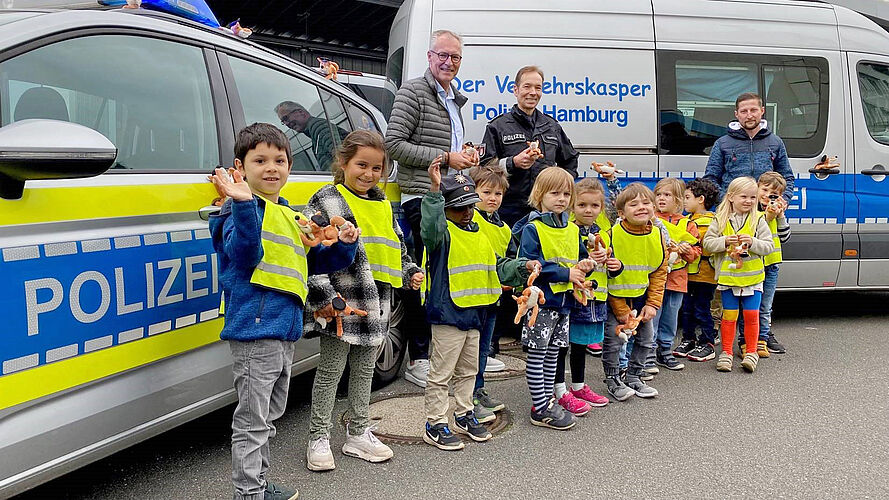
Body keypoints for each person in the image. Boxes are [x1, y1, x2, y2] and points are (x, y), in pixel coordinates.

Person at [208, 123, 359, 500]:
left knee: (269, 416)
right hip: (255, 332)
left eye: (280, 160)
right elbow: (244, 256)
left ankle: (258, 481)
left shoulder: (289, 215)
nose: (271, 167)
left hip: (283, 330)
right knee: (252, 421)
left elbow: (316, 260)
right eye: (260, 160)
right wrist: (242, 203)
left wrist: (344, 245)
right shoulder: (235, 212)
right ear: (240, 168)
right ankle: (249, 492)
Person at [302, 130, 424, 471]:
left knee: (365, 370)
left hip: (378, 303)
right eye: (361, 165)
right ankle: (318, 437)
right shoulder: (326, 200)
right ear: (343, 163)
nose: (368, 174)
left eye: (376, 167)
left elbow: (396, 248)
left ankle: (358, 433)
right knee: (330, 371)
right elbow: (310, 254)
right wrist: (327, 298)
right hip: (341, 304)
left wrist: (410, 270)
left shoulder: (383, 202)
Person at [421, 157, 536, 450]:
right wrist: (434, 193)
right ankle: (434, 423)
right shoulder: (441, 234)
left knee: (469, 371)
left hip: (476, 313)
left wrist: (522, 267)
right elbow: (430, 228)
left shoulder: (479, 232)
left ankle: (463, 414)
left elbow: (497, 266)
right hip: (448, 313)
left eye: (470, 205)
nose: (467, 212)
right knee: (441, 373)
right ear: (445, 209)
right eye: (458, 207)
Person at [385, 29, 477, 388]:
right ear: (429, 56)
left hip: (448, 197)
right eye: (443, 55)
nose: (448, 62)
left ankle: (438, 357)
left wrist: (464, 154)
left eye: (455, 57)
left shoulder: (454, 99)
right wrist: (445, 157)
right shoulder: (413, 91)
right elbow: (393, 143)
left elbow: (446, 148)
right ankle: (418, 359)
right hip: (421, 198)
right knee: (419, 281)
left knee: (441, 279)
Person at [513, 167, 593, 428]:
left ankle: (549, 400)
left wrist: (586, 265)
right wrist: (565, 272)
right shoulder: (532, 228)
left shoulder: (571, 228)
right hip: (542, 303)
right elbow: (530, 264)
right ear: (540, 195)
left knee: (554, 353)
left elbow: (579, 257)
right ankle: (540, 406)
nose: (561, 198)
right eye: (554, 193)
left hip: (564, 303)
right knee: (537, 354)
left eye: (566, 193)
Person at [480, 65, 579, 226]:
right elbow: (483, 168)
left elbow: (570, 160)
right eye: (527, 86)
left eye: (538, 88)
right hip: (508, 210)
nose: (533, 92)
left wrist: (561, 186)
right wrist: (513, 163)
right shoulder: (498, 127)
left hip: (545, 211)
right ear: (516, 90)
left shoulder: (551, 126)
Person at [557, 178, 620, 412]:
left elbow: (611, 269)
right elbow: (568, 263)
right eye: (582, 205)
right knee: (563, 345)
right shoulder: (568, 231)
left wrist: (616, 265)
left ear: (601, 208)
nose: (588, 210)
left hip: (597, 298)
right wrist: (590, 261)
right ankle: (559, 389)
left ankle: (578, 385)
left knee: (581, 344)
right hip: (574, 298)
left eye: (594, 206)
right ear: (573, 206)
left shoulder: (604, 233)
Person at [601, 183, 667, 402]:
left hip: (642, 299)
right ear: (621, 213)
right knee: (614, 341)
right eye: (634, 204)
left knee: (647, 339)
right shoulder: (610, 235)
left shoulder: (657, 235)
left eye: (646, 202)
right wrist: (620, 310)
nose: (641, 207)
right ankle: (612, 380)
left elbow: (659, 272)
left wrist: (653, 304)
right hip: (615, 302)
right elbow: (604, 277)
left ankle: (634, 376)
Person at [702, 176, 774, 373]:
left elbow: (768, 247)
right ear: (731, 197)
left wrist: (752, 242)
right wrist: (724, 241)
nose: (749, 201)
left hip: (753, 277)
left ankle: (751, 352)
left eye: (752, 197)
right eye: (744, 196)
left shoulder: (759, 219)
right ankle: (726, 353)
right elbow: (707, 244)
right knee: (729, 316)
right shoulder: (720, 218)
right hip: (728, 277)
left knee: (751, 316)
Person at [467, 162, 511, 423]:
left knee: (484, 349)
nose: (492, 198)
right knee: (470, 352)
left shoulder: (504, 228)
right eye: (486, 192)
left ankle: (478, 389)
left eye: (498, 194)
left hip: (493, 297)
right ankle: (468, 396)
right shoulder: (469, 221)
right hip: (470, 297)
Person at [646, 178, 700, 372]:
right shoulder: (650, 220)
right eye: (658, 194)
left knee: (670, 316)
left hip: (677, 279)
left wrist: (687, 250)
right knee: (653, 315)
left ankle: (665, 350)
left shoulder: (687, 224)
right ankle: (649, 352)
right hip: (654, 279)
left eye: (667, 195)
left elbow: (696, 253)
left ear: (678, 200)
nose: (661, 198)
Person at [703, 92, 795, 202]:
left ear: (762, 111)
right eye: (744, 111)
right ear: (736, 114)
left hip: (764, 209)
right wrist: (726, 201)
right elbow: (710, 179)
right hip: (731, 212)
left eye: (753, 110)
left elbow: (787, 177)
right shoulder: (722, 143)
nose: (749, 115)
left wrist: (782, 200)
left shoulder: (775, 142)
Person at [678, 178, 721, 362]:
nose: (684, 201)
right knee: (687, 309)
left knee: (702, 309)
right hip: (688, 275)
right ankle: (688, 339)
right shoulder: (686, 220)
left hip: (706, 276)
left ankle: (707, 342)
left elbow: (709, 246)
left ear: (701, 199)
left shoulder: (712, 221)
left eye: (687, 197)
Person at [748, 171, 791, 355]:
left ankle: (764, 337)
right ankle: (750, 338)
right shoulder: (752, 211)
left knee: (766, 306)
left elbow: (785, 237)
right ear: (757, 188)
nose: (767, 196)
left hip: (772, 263)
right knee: (751, 305)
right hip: (754, 263)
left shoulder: (776, 211)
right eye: (764, 190)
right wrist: (768, 217)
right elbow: (755, 232)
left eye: (774, 194)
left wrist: (780, 216)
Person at [275, 101, 348, 171]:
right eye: (283, 122)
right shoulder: (315, 132)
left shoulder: (320, 127)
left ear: (301, 112)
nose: (286, 124)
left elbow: (343, 157)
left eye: (286, 118)